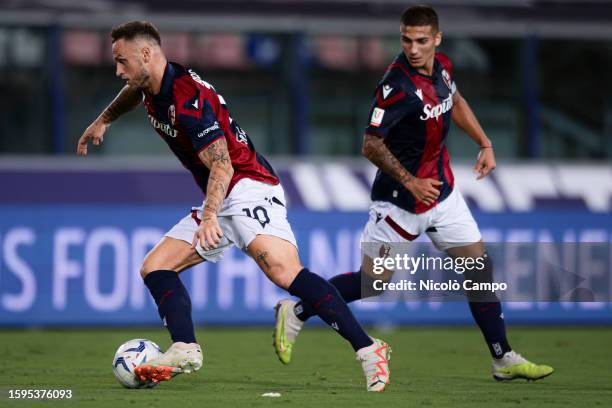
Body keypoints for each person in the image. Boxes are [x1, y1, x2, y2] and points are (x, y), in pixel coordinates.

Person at [77, 21, 390, 392]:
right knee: (155, 268)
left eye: (122, 61)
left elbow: (222, 164)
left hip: (247, 185)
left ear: (146, 54)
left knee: (284, 271)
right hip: (223, 191)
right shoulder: (152, 84)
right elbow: (133, 90)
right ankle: (185, 347)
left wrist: (209, 216)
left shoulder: (186, 98)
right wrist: (105, 119)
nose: (118, 70)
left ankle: (370, 350)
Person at [273, 5, 553, 382]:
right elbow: (370, 145)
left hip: (444, 195)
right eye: (407, 39)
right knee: (373, 283)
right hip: (399, 203)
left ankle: (502, 358)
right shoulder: (395, 87)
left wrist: (484, 143)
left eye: (421, 40)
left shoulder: (444, 68)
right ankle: (298, 312)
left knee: (478, 271)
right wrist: (411, 182)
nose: (413, 48)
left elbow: (457, 103)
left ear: (437, 39)